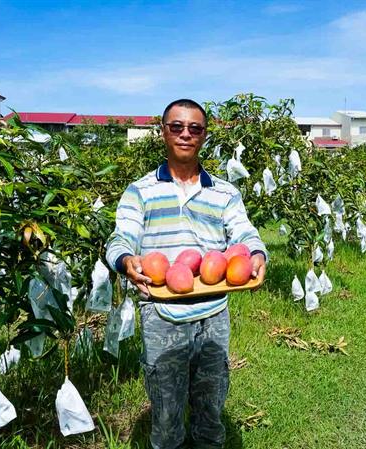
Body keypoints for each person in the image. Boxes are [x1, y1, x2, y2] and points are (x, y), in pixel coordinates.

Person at [106, 98, 268, 449]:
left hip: (213, 313)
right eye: (176, 126)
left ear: (204, 136)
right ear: (163, 132)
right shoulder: (141, 191)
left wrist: (256, 254)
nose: (185, 134)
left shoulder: (224, 192)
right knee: (166, 415)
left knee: (211, 409)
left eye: (195, 128)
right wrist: (125, 262)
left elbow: (244, 233)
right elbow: (121, 237)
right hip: (161, 312)